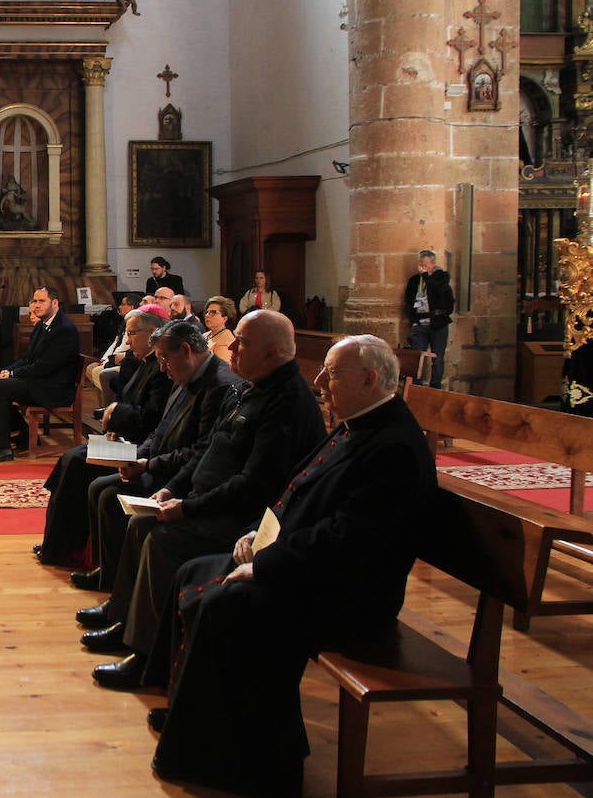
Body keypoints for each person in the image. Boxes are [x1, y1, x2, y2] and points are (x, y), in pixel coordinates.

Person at [144, 334, 436, 797]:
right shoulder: (358, 423)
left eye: (332, 373)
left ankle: (235, 757)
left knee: (226, 602)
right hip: (314, 567)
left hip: (350, 594)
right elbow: (296, 491)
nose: (319, 381)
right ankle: (194, 717)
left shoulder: (392, 446)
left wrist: (266, 565)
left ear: (370, 378)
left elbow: (348, 539)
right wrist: (257, 537)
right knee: (194, 572)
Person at [81, 311, 325, 689]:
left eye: (241, 342)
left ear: (272, 353)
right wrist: (172, 489)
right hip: (207, 498)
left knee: (162, 541)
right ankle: (128, 625)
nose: (229, 348)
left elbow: (253, 485)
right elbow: (208, 452)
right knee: (141, 520)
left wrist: (189, 507)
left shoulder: (286, 402)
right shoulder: (252, 387)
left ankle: (150, 659)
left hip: (242, 519)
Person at [71, 320, 239, 592]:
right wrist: (137, 455)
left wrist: (148, 465)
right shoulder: (184, 373)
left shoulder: (218, 385)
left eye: (164, 358)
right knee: (94, 478)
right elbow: (161, 429)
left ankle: (116, 583)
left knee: (108, 494)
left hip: (179, 475)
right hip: (159, 463)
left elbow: (200, 451)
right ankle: (107, 573)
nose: (161, 367)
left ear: (185, 350)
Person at [35, 307, 172, 566]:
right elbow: (126, 400)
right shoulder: (142, 363)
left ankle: (64, 548)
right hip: (125, 438)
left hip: (137, 447)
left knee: (77, 462)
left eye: (132, 334)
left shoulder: (161, 369)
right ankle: (56, 541)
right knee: (69, 459)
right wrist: (114, 415)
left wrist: (116, 412)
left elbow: (151, 419)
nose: (128, 341)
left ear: (152, 333)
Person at [0, 286, 80, 463]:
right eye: (34, 301)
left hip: (52, 387)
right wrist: (7, 371)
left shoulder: (64, 329)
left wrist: (13, 374)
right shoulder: (42, 325)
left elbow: (46, 367)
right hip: (40, 380)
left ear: (54, 303)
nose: (36, 305)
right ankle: (3, 440)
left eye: (41, 301)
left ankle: (3, 449)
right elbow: (28, 358)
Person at [404, 249, 454, 388]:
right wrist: (413, 320)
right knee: (417, 358)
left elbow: (438, 290)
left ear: (433, 264)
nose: (422, 267)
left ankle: (435, 388)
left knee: (437, 359)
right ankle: (416, 388)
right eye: (420, 264)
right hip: (420, 324)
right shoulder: (414, 280)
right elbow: (409, 301)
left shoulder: (442, 277)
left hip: (437, 324)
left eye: (425, 264)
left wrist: (426, 276)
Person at [85, 293, 138, 405]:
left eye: (123, 304)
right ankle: (104, 405)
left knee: (100, 372)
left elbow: (125, 345)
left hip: (123, 360)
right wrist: (104, 359)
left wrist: (109, 361)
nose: (119, 307)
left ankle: (110, 405)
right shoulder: (124, 322)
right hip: (114, 358)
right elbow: (115, 343)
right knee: (90, 368)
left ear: (132, 307)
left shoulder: (133, 322)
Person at [201, 296, 235, 362]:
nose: (207, 315)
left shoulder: (226, 340)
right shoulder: (205, 335)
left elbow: (221, 368)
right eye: (207, 312)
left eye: (213, 312)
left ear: (224, 318)